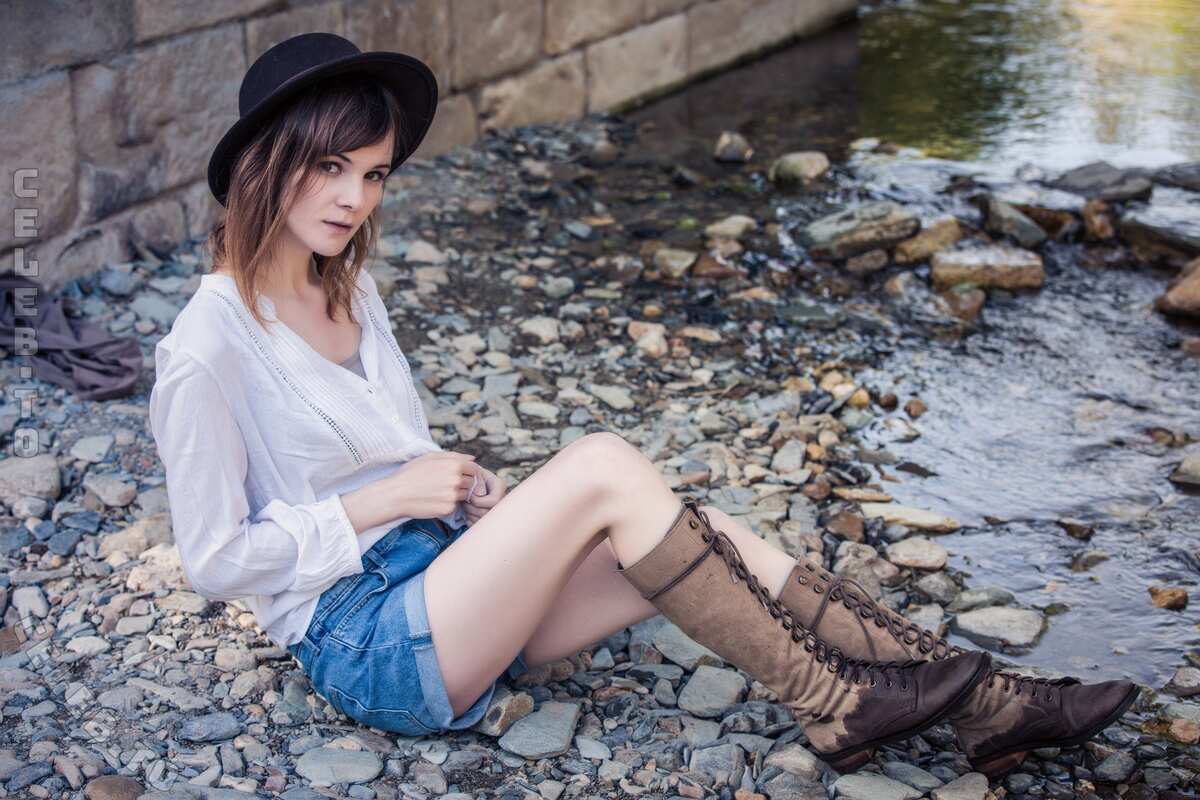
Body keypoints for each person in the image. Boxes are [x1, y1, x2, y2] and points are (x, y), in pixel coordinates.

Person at [148, 32, 1136, 777]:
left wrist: (464, 496)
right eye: (330, 168)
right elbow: (214, 559)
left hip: (449, 582)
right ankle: (830, 700)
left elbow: (387, 451)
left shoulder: (349, 287)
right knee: (604, 463)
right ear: (266, 160)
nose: (355, 199)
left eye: (372, 174)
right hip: (366, 640)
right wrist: (389, 497)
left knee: (696, 528)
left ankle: (989, 698)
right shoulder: (205, 347)